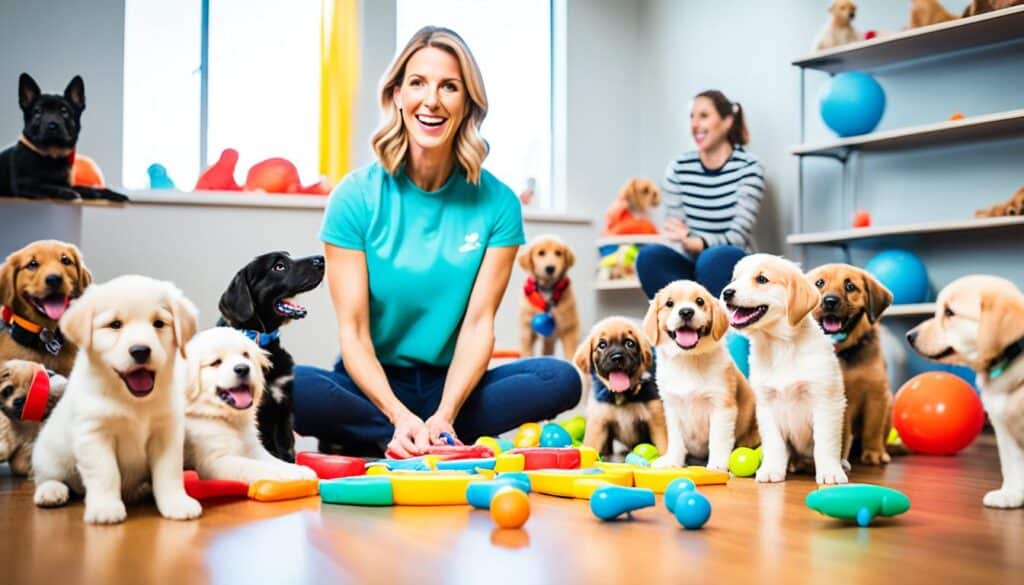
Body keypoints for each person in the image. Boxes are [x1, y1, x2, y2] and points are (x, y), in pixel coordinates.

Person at [293, 27, 581, 458]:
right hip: (372, 385)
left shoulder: (498, 203)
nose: (432, 100)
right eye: (418, 83)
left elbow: (478, 324)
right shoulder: (354, 197)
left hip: (456, 387)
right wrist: (398, 414)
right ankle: (408, 434)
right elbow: (352, 333)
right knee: (280, 384)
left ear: (467, 103)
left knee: (561, 379)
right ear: (396, 95)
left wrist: (445, 412)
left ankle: (423, 434)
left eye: (449, 86)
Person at [636, 90, 765, 299]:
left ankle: (720, 326)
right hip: (690, 263)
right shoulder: (678, 168)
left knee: (712, 258)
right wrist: (685, 240)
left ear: (727, 121)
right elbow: (675, 231)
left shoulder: (749, 168)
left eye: (703, 116)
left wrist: (699, 243)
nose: (694, 124)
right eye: (691, 117)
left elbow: (737, 237)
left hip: (730, 264)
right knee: (650, 256)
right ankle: (677, 326)